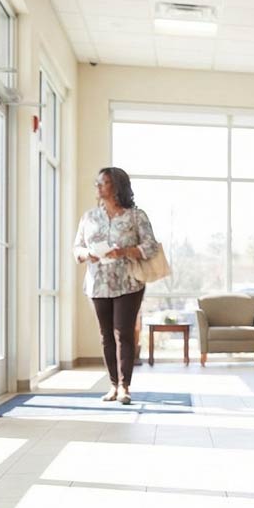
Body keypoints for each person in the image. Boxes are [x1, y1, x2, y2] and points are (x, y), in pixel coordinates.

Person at [73, 167, 159, 405]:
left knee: (124, 334)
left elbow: (151, 246)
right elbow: (76, 249)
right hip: (97, 283)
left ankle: (125, 386)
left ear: (117, 186)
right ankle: (113, 384)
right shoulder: (89, 217)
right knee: (106, 336)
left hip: (128, 282)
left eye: (104, 183)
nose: (98, 187)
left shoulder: (135, 216)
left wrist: (125, 251)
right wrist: (87, 253)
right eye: (97, 183)